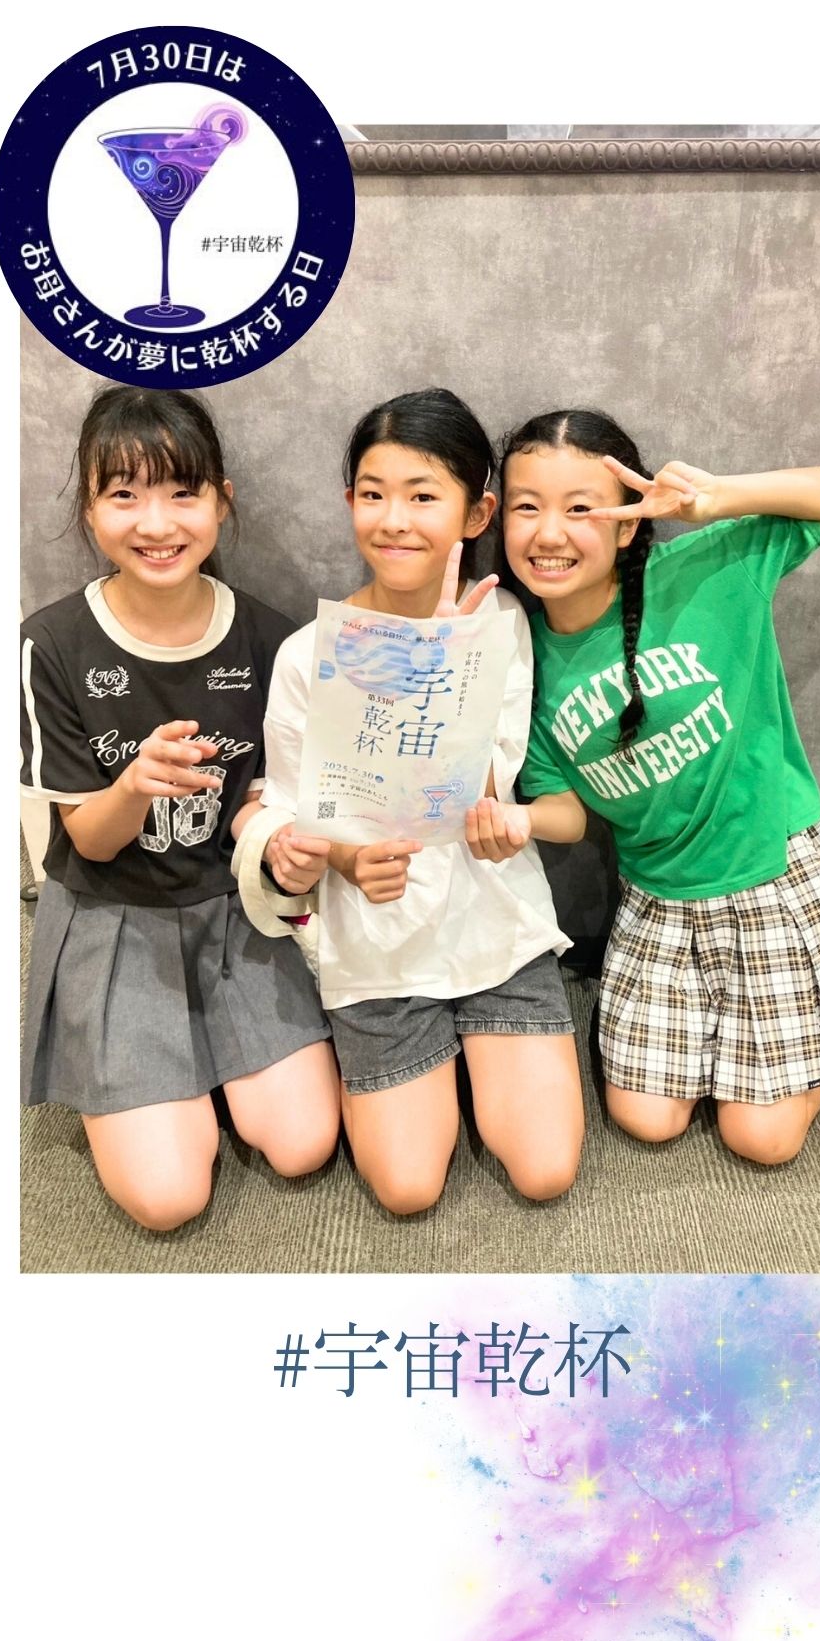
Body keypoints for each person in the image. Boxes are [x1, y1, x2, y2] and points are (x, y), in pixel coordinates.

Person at [466, 408, 820, 1168]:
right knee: (646, 1119)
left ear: (628, 524)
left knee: (762, 1141)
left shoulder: (710, 566)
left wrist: (719, 498)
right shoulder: (519, 655)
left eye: (581, 509)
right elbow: (568, 811)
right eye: (528, 507)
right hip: (659, 899)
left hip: (767, 876)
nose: (550, 533)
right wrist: (520, 821)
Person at [236, 388, 584, 1215]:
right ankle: (435, 1078)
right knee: (406, 1189)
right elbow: (287, 810)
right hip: (377, 942)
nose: (393, 520)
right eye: (373, 493)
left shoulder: (500, 620)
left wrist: (448, 664)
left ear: (477, 513)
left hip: (493, 925)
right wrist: (343, 860)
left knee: (545, 1171)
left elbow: (495, 786)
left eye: (423, 496)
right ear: (350, 501)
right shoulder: (308, 654)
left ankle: (479, 1064)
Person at [20, 387, 340, 1231]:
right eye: (124, 494)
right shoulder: (51, 642)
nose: (155, 523)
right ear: (89, 510)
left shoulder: (271, 638)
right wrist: (133, 786)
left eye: (182, 493)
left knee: (305, 1144)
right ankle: (156, 1078)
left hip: (233, 910)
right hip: (114, 916)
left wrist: (277, 839)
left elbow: (264, 798)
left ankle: (205, 1067)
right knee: (168, 1198)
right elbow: (89, 842)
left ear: (221, 502)